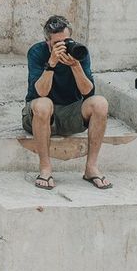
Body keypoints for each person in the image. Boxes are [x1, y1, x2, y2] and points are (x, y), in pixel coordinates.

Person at [22, 15, 112, 190]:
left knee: (100, 103)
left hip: (70, 112)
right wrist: (51, 64)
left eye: (66, 41)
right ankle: (45, 169)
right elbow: (40, 92)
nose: (63, 46)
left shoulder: (79, 52)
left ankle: (91, 168)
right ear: (47, 42)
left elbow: (88, 92)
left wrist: (76, 66)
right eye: (57, 43)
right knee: (43, 104)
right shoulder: (37, 52)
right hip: (38, 115)